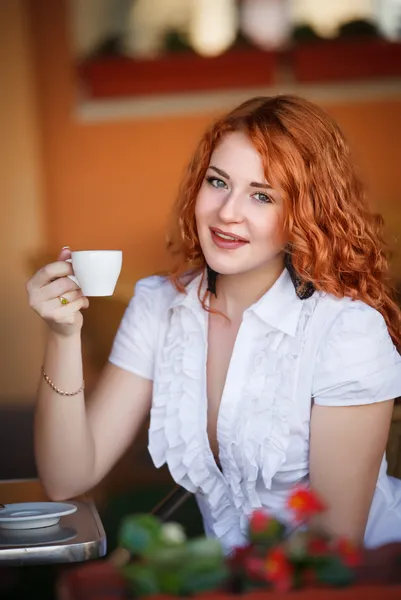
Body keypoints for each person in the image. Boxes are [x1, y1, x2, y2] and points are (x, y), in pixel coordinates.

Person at [26, 95, 401, 554]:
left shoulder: (345, 333)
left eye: (262, 195)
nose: (227, 212)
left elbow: (333, 545)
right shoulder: (159, 306)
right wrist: (64, 335)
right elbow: (67, 477)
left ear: (304, 213)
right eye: (218, 182)